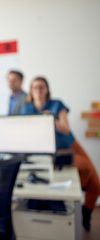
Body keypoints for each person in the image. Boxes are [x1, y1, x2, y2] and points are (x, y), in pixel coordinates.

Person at [21, 76, 100, 231]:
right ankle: (74, 206)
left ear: (47, 89)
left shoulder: (57, 104)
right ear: (31, 90)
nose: (38, 90)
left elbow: (66, 129)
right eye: (35, 87)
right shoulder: (26, 110)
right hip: (53, 152)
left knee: (96, 184)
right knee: (85, 169)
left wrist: (50, 119)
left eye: (42, 87)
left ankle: (87, 212)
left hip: (71, 145)